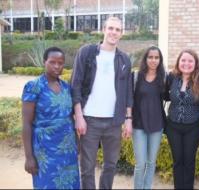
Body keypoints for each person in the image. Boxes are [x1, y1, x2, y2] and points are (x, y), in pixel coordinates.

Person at [70, 16, 133, 189]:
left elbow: (128, 91)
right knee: (87, 168)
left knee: (110, 165)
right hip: (89, 119)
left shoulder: (124, 60)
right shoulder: (87, 52)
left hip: (114, 121)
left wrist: (128, 119)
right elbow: (75, 85)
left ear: (122, 34)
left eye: (117, 30)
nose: (114, 32)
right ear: (104, 29)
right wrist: (78, 115)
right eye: (111, 28)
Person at [22, 47, 80, 189]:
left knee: (69, 184)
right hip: (45, 151)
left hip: (68, 149)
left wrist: (77, 142)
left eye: (60, 63)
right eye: (52, 62)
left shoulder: (66, 87)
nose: (56, 66)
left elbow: (70, 117)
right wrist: (29, 157)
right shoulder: (34, 87)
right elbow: (26, 124)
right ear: (44, 62)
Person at [165, 49, 199, 189]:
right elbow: (164, 96)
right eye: (183, 60)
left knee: (189, 161)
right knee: (177, 160)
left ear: (195, 63)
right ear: (178, 62)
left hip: (193, 127)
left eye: (190, 61)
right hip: (173, 126)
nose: (186, 63)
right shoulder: (171, 78)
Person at [132, 46, 166, 189]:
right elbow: (129, 100)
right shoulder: (135, 76)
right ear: (145, 59)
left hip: (157, 124)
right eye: (150, 57)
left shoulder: (164, 78)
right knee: (140, 164)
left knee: (151, 162)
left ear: (160, 60)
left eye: (156, 57)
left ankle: (147, 187)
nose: (153, 60)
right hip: (138, 124)